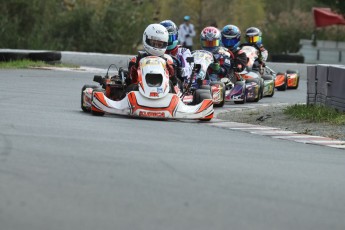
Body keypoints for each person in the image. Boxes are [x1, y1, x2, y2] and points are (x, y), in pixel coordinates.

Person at [127, 24, 177, 89]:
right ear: (146, 39)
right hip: (139, 90)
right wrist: (135, 67)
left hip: (163, 91)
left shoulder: (168, 61)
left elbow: (174, 82)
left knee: (173, 87)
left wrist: (171, 71)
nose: (156, 46)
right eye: (153, 43)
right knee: (130, 88)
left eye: (159, 44)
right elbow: (129, 81)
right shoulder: (136, 60)